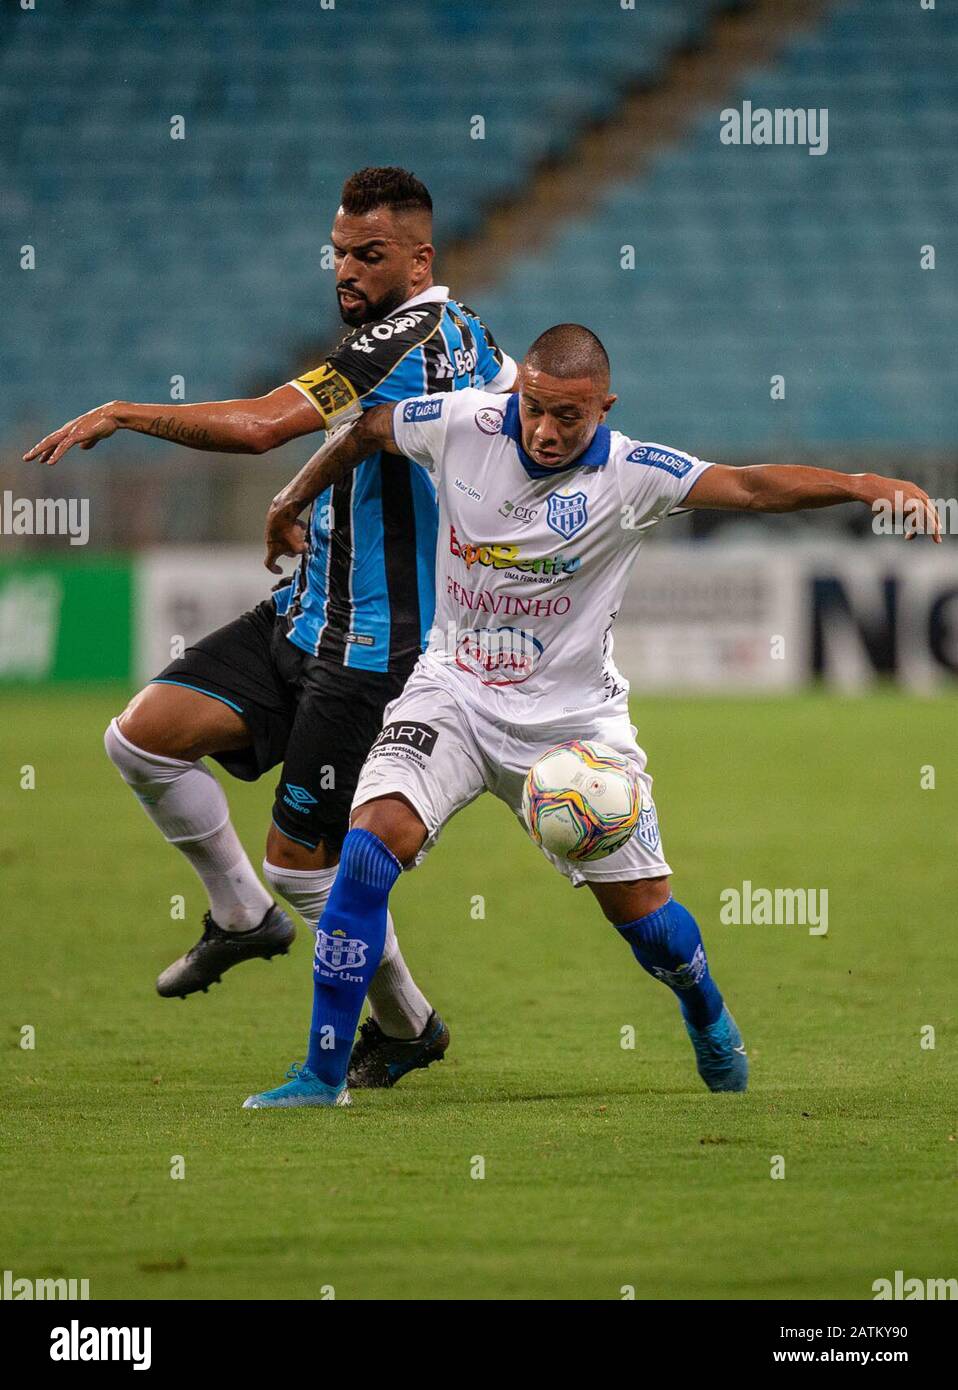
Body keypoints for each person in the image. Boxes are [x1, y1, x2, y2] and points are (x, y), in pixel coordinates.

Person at [243, 322, 939, 1108]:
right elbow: (368, 426)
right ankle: (321, 1076)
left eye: (568, 416)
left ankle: (704, 1008)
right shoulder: (460, 423)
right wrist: (290, 500)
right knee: (366, 855)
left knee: (648, 925)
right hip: (454, 695)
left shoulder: (637, 473)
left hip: (574, 729)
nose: (543, 430)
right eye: (534, 407)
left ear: (603, 407)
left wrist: (862, 484)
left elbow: (748, 487)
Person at [24, 167, 516, 1088]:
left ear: (421, 258)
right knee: (141, 742)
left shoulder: (405, 336)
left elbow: (260, 425)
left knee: (305, 866)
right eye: (338, 253)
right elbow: (380, 431)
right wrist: (298, 497)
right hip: (301, 618)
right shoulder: (470, 338)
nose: (346, 271)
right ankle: (243, 920)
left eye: (369, 256)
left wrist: (126, 413)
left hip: (373, 651)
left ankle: (407, 1026)